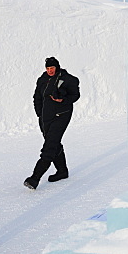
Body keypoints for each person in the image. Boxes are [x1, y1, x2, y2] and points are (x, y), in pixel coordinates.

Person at [24, 57, 80, 189]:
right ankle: (62, 171)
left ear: (57, 67)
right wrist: (40, 113)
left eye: (52, 68)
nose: (49, 70)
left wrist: (63, 100)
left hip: (62, 115)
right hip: (45, 117)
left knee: (49, 146)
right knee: (53, 143)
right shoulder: (42, 79)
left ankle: (35, 178)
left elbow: (75, 95)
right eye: (47, 68)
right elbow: (37, 97)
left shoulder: (67, 79)